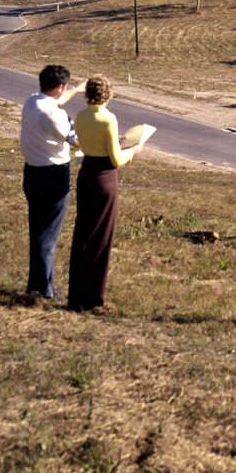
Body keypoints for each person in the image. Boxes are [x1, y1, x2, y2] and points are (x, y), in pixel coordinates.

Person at [66, 75, 146, 312]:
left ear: (87, 94)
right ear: (108, 95)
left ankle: (76, 295)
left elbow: (90, 142)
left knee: (83, 234)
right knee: (101, 236)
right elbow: (115, 158)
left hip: (86, 173)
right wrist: (133, 151)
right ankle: (93, 297)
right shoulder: (109, 119)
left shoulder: (80, 116)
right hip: (105, 177)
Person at [19, 63, 78, 299]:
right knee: (48, 236)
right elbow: (76, 142)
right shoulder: (56, 115)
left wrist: (78, 88)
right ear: (60, 87)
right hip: (54, 176)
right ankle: (43, 291)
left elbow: (59, 100)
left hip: (32, 172)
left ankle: (42, 285)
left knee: (38, 232)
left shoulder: (31, 101)